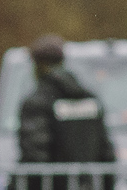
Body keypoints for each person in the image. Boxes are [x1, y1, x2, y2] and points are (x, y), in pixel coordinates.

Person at [15, 35, 115, 190]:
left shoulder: (37, 102)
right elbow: (107, 153)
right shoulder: (89, 98)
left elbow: (34, 156)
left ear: (38, 65)